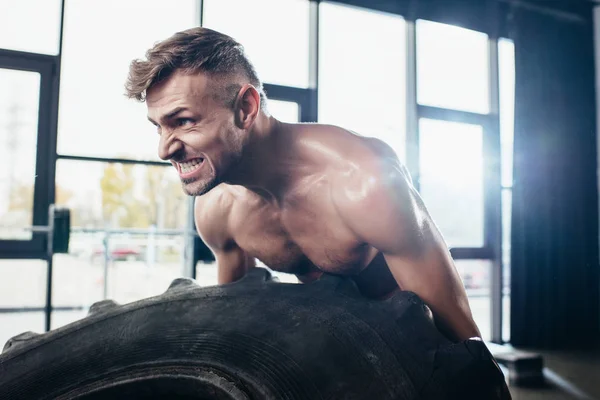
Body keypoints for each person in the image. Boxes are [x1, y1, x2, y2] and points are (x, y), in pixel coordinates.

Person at [126, 27, 481, 343]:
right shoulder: (217, 209)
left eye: (183, 121)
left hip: (409, 354)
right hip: (331, 350)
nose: (163, 149)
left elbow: (465, 343)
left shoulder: (361, 181)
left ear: (246, 108)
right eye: (159, 126)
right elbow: (230, 326)